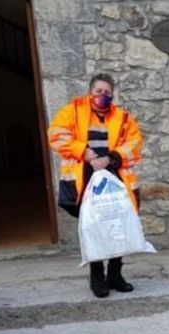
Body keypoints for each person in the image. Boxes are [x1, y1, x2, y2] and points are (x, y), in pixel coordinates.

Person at [47, 73, 144, 298]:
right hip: (85, 181)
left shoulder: (123, 117)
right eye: (99, 91)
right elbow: (56, 134)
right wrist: (86, 152)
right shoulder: (72, 111)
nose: (103, 95)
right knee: (95, 228)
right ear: (91, 91)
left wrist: (111, 158)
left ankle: (115, 275)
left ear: (112, 95)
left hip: (115, 180)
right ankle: (97, 278)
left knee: (117, 227)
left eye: (108, 93)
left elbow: (135, 142)